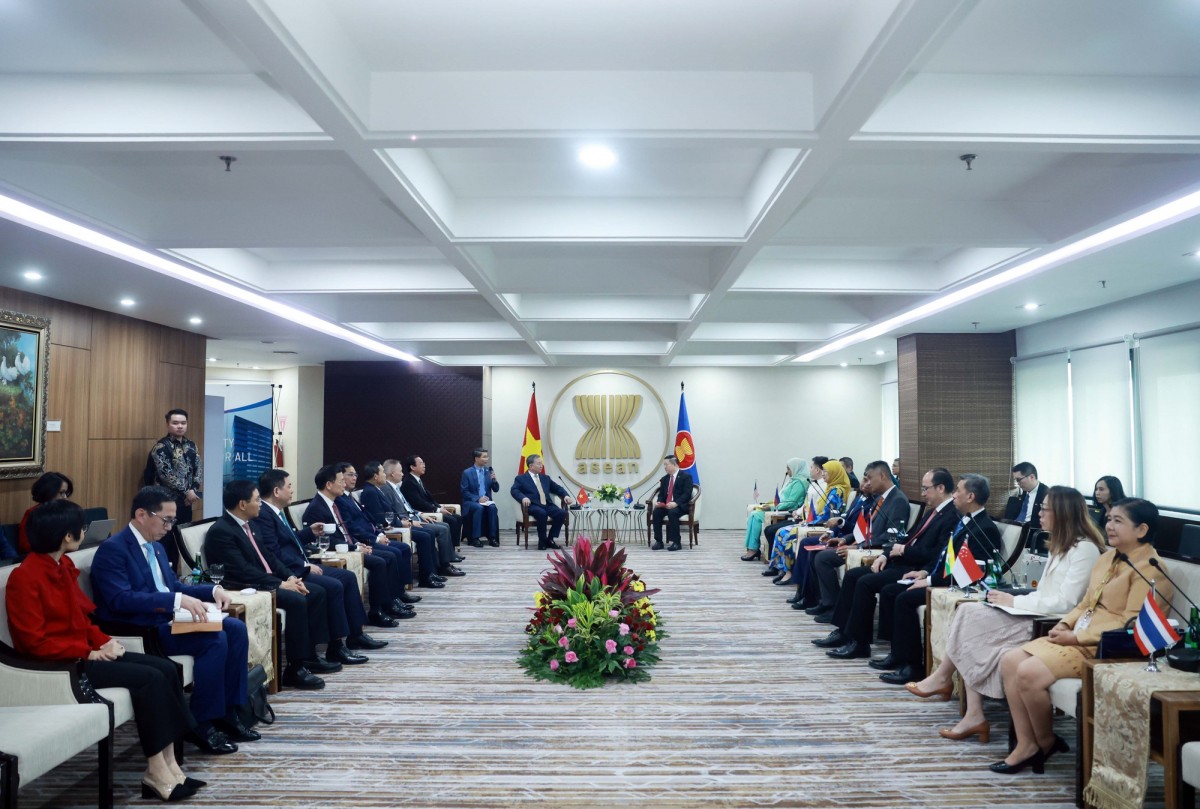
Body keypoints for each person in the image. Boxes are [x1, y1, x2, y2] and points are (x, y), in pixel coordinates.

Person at [6, 499, 203, 802]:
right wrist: (87, 652)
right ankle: (155, 769)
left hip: (82, 652)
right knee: (149, 679)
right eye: (80, 528)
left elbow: (81, 619)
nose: (84, 532)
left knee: (163, 668)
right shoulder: (25, 577)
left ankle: (170, 764)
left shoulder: (62, 565)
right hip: (61, 666)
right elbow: (33, 641)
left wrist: (103, 641)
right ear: (66, 536)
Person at [906, 486, 1105, 744]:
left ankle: (947, 681)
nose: (1039, 514)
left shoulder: (1084, 550)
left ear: (1063, 513)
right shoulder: (1060, 544)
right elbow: (1044, 593)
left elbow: (1066, 603)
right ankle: (971, 710)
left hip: (1049, 623)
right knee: (967, 610)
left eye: (1044, 509)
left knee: (973, 625)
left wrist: (1015, 602)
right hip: (1032, 611)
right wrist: (1013, 600)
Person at [991, 497, 1173, 774]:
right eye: (1109, 519)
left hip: (1107, 646)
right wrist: (1065, 624)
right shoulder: (1107, 558)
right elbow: (1086, 603)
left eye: (1118, 521)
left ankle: (1045, 742)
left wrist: (1076, 638)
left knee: (1027, 672)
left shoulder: (1150, 569)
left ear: (1142, 530)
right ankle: (1027, 744)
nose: (1109, 526)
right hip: (1079, 634)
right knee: (1009, 661)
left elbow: (1132, 623)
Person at [90, 486, 252, 756]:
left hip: (168, 620)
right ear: (141, 514)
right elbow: (120, 599)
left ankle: (228, 713)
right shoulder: (114, 550)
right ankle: (201, 723)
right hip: (142, 630)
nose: (170, 527)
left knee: (235, 628)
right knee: (214, 639)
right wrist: (175, 602)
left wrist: (212, 591)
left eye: (173, 520)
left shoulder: (156, 547)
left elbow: (173, 586)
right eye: (166, 520)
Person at [813, 467, 959, 661]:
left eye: (926, 489)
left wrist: (906, 553)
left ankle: (859, 643)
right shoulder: (933, 512)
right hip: (901, 560)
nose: (923, 494)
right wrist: (886, 554)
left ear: (940, 488)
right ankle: (844, 632)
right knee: (853, 575)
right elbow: (906, 537)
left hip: (913, 567)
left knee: (865, 582)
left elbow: (936, 554)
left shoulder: (950, 516)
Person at [202, 480, 336, 690]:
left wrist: (291, 578)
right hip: (245, 585)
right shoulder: (222, 531)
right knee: (297, 600)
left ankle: (310, 655)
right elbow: (243, 570)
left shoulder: (252, 525)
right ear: (242, 504)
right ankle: (295, 668)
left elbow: (270, 559)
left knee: (315, 591)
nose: (261, 504)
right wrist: (281, 584)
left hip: (266, 580)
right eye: (257, 500)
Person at [873, 474, 1003, 684]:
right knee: (892, 590)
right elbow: (944, 555)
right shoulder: (964, 520)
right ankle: (898, 655)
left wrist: (931, 581)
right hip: (939, 577)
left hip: (961, 587)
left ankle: (913, 666)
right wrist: (925, 572)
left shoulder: (984, 528)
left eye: (958, 491)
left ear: (970, 496)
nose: (954, 496)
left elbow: (970, 571)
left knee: (904, 599)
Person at [252, 468, 385, 661]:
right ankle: (335, 646)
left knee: (347, 577)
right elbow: (274, 553)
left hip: (301, 562)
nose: (292, 490)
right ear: (276, 491)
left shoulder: (277, 512)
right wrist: (303, 566)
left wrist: (309, 533)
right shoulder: (264, 515)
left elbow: (288, 541)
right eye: (289, 486)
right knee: (334, 585)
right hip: (291, 570)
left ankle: (355, 635)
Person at [302, 464, 413, 624]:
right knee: (381, 560)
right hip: (336, 552)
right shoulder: (316, 508)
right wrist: (356, 547)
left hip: (351, 545)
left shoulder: (333, 502)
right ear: (329, 484)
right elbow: (328, 540)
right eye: (341, 480)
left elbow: (345, 530)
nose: (345, 483)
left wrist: (358, 544)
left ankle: (389, 603)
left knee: (388, 556)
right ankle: (377, 611)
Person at [810, 460, 908, 619]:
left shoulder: (897, 500)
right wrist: (846, 539)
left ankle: (832, 607)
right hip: (861, 544)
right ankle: (827, 603)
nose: (867, 483)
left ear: (882, 476)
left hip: (875, 549)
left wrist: (857, 546)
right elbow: (863, 528)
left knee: (823, 558)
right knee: (821, 553)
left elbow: (892, 535)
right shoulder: (880, 498)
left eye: (869, 478)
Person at [358, 461, 449, 587]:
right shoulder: (371, 492)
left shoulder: (376, 490)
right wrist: (402, 522)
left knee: (428, 533)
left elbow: (389, 512)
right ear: (375, 476)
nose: (384, 474)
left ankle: (430, 573)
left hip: (398, 523)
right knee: (425, 535)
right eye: (382, 472)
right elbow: (378, 517)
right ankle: (425, 576)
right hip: (392, 527)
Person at [373, 459, 461, 577]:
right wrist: (410, 521)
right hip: (406, 522)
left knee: (444, 526)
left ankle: (441, 565)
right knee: (441, 529)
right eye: (400, 471)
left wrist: (419, 514)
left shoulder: (395, 487)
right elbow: (394, 513)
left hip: (413, 517)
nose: (403, 474)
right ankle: (443, 566)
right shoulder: (387, 489)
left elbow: (406, 507)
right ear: (393, 474)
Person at [762, 456, 839, 581]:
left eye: (812, 467)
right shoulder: (813, 484)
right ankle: (780, 568)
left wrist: (806, 518)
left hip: (813, 522)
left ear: (818, 470)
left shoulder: (825, 487)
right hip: (803, 517)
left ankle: (788, 571)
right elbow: (806, 504)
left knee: (783, 533)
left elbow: (819, 509)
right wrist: (797, 512)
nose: (810, 470)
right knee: (777, 532)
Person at [741, 458, 808, 562]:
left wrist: (772, 507)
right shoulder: (793, 480)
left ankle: (753, 549)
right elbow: (781, 498)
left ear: (796, 468)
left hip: (788, 510)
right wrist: (768, 504)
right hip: (779, 507)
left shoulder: (800, 483)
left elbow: (792, 503)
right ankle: (751, 547)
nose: (787, 471)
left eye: (789, 469)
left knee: (755, 515)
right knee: (754, 512)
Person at [149, 409, 202, 525]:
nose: (180, 426)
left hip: (187, 501)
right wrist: (187, 492)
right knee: (167, 535)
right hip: (166, 501)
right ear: (168, 425)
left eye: (183, 423)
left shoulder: (191, 445)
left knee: (184, 533)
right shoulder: (161, 447)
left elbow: (198, 468)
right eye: (175, 423)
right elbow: (166, 475)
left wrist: (193, 490)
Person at [510, 454, 575, 550]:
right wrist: (523, 498)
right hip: (533, 505)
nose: (541, 466)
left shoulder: (545, 478)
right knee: (542, 513)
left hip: (547, 504)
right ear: (531, 466)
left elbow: (557, 488)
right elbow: (514, 490)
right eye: (539, 464)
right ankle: (542, 541)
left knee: (562, 513)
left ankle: (550, 539)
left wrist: (565, 495)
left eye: (542, 463)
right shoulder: (521, 478)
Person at [401, 454, 464, 549]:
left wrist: (439, 507)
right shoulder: (408, 482)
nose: (424, 465)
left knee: (458, 518)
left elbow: (429, 499)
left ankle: (453, 547)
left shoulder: (418, 480)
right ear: (412, 467)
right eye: (421, 463)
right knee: (452, 520)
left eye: (423, 463)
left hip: (429, 509)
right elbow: (418, 503)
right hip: (422, 513)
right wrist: (437, 510)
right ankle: (449, 549)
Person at [16, 470, 73, 556]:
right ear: (49, 492)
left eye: (66, 493)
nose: (65, 498)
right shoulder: (32, 514)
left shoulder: (66, 512)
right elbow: (25, 546)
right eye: (62, 493)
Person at [651, 454, 695, 551]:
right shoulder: (665, 479)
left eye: (666, 464)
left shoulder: (686, 477)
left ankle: (676, 543)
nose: (665, 467)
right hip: (666, 505)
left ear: (674, 465)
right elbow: (662, 494)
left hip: (680, 506)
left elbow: (687, 494)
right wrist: (659, 502)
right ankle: (659, 541)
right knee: (656, 512)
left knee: (673, 512)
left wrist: (676, 503)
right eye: (664, 465)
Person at [460, 449, 500, 547]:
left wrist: (494, 481)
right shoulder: (467, 472)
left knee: (493, 507)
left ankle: (492, 538)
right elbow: (464, 491)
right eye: (484, 456)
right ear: (476, 458)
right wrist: (478, 499)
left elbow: (496, 489)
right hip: (471, 502)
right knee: (479, 507)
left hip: (486, 501)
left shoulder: (488, 471)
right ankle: (475, 538)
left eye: (487, 456)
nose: (487, 458)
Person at [1004, 461, 1048, 528]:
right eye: (1016, 480)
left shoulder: (1046, 494)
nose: (1017, 483)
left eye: (1019, 480)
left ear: (1032, 477)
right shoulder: (1024, 492)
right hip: (1017, 528)